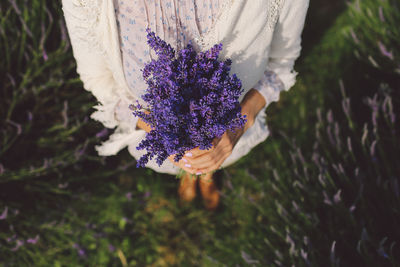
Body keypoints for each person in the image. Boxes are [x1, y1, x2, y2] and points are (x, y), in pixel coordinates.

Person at [61, 0, 310, 210]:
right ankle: (192, 174)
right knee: (190, 160)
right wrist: (160, 133)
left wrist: (237, 126)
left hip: (229, 136)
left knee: (210, 157)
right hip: (164, 140)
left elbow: (280, 64)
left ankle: (207, 174)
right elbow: (99, 81)